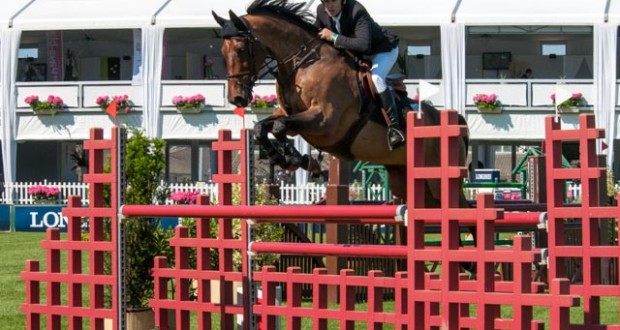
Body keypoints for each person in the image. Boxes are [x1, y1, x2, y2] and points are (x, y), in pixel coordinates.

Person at [314, 0, 404, 149]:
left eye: (333, 1)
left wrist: (334, 37)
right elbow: (316, 35)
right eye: (325, 2)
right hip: (360, 55)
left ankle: (395, 128)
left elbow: (363, 45)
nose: (329, 6)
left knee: (376, 78)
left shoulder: (357, 10)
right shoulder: (321, 11)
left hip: (382, 51)